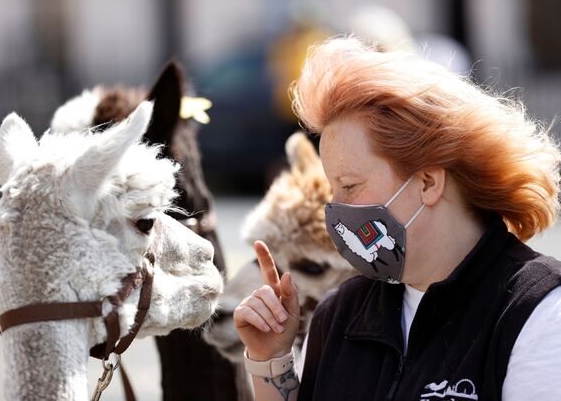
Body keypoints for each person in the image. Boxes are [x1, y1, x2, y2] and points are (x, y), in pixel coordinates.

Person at [233, 37, 561, 401]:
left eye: (350, 185)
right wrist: (270, 360)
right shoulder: (339, 314)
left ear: (428, 181)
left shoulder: (538, 312)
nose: (335, 208)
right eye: (331, 188)